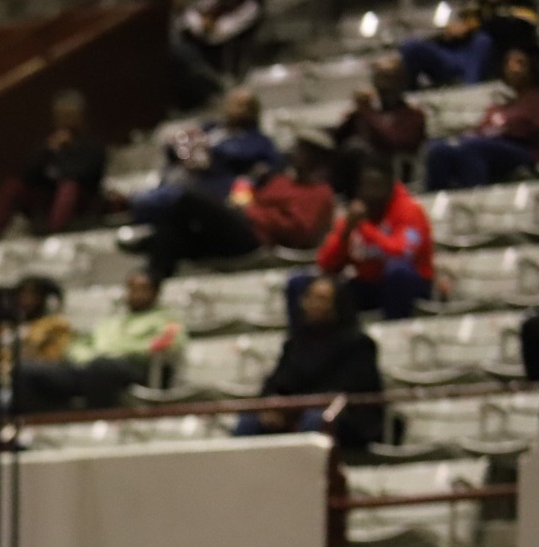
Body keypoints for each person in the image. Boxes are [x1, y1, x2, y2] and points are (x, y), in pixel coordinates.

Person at [133, 134, 337, 281]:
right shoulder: (280, 180)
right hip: (236, 227)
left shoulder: (319, 192)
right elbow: (249, 198)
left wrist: (251, 212)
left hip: (258, 239)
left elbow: (300, 232)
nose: (295, 154)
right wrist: (243, 200)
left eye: (302, 151)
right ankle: (150, 281)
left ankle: (141, 225)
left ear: (316, 158)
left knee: (188, 199)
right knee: (173, 234)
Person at [240, 276, 387, 451]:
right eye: (311, 298)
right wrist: (271, 403)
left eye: (322, 299)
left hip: (347, 419)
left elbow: (348, 389)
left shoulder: (358, 344)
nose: (314, 304)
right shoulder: (295, 343)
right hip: (296, 412)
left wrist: (294, 408)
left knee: (317, 419)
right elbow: (277, 381)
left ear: (337, 305)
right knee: (250, 420)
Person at [18, 272, 187, 411]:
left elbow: (169, 344)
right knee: (26, 370)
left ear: (155, 293)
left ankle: (93, 421)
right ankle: (47, 423)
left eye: (142, 289)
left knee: (103, 366)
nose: (135, 294)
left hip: (134, 368)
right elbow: (79, 344)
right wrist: (83, 356)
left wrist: (119, 351)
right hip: (89, 366)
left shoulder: (167, 319)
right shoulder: (111, 320)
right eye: (132, 289)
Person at [133, 88, 281, 225]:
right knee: (140, 200)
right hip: (179, 179)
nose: (234, 109)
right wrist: (183, 149)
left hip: (212, 190)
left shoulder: (258, 141)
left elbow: (268, 166)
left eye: (242, 105)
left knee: (149, 203)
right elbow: (181, 144)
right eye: (231, 103)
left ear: (253, 111)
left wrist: (206, 153)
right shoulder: (211, 128)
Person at [311, 165, 434, 322]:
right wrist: (346, 232)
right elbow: (325, 264)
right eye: (366, 186)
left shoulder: (411, 212)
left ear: (390, 187)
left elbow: (402, 253)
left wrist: (364, 227)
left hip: (411, 285)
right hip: (368, 284)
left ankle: (396, 330)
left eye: (376, 185)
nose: (370, 192)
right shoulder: (352, 217)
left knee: (397, 272)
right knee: (308, 285)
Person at [0, 90, 108, 241]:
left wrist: (63, 162)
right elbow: (25, 172)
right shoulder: (49, 146)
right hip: (48, 198)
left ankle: (55, 235)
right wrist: (48, 150)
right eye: (61, 116)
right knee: (13, 187)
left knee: (68, 188)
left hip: (80, 199)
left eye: (69, 115)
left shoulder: (92, 146)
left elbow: (82, 174)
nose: (65, 120)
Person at [424, 46, 539, 189]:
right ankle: (434, 198)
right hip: (486, 143)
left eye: (519, 63)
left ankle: (474, 194)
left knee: (470, 147)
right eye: (508, 63)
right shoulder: (501, 103)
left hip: (521, 150)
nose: (512, 68)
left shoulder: (535, 100)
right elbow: (482, 128)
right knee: (438, 149)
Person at [331, 55, 428, 196]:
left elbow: (394, 141)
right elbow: (337, 140)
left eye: (388, 77)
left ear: (401, 81)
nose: (383, 83)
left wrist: (365, 111)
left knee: (356, 148)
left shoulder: (413, 115)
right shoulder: (368, 112)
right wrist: (355, 114)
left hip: (393, 173)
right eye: (378, 76)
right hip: (360, 173)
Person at [398, 4, 495, 89]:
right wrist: (444, 34)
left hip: (469, 49)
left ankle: (470, 87)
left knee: (483, 40)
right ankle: (408, 93)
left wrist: (468, 27)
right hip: (444, 51)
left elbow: (480, 17)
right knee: (411, 46)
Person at [175, 0, 263, 74]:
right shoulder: (214, 2)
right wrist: (200, 23)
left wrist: (201, 24)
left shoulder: (250, 7)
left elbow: (217, 35)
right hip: (192, 42)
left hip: (216, 58)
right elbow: (189, 14)